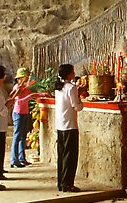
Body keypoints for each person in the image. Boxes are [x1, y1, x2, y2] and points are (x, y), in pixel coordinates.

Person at [9, 67, 48, 168]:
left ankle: (22, 158)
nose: (28, 79)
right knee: (17, 136)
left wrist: (43, 94)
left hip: (24, 113)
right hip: (18, 113)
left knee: (23, 136)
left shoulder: (25, 88)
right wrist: (31, 96)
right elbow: (19, 101)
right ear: (20, 78)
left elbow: (32, 95)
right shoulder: (17, 88)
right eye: (26, 77)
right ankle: (14, 159)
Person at [54, 64, 84, 192]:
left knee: (62, 154)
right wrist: (81, 98)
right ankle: (68, 183)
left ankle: (61, 182)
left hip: (61, 124)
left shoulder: (59, 88)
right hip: (70, 125)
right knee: (70, 155)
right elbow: (76, 106)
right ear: (69, 74)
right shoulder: (71, 88)